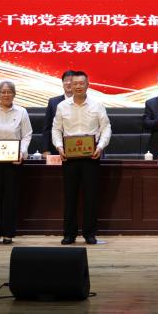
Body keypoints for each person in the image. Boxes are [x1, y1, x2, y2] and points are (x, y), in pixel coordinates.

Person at [52, 71, 111, 245]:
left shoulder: (97, 106)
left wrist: (100, 146)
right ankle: (69, 234)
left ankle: (89, 234)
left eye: (81, 83)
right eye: (75, 83)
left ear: (87, 85)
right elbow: (56, 129)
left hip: (91, 157)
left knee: (91, 197)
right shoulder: (62, 106)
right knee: (70, 197)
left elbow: (106, 128)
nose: (78, 86)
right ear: (70, 85)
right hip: (69, 157)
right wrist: (59, 147)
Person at [0, 80, 33, 244]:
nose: (6, 94)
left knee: (10, 198)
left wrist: (22, 153)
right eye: (3, 92)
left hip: (13, 162)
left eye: (9, 91)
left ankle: (9, 233)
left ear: (14, 94)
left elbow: (27, 135)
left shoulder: (22, 112)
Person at [41, 70, 75, 155]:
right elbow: (47, 128)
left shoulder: (82, 101)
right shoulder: (53, 102)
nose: (68, 83)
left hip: (77, 146)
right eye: (66, 80)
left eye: (71, 80)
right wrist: (45, 149)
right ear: (62, 83)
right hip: (57, 148)